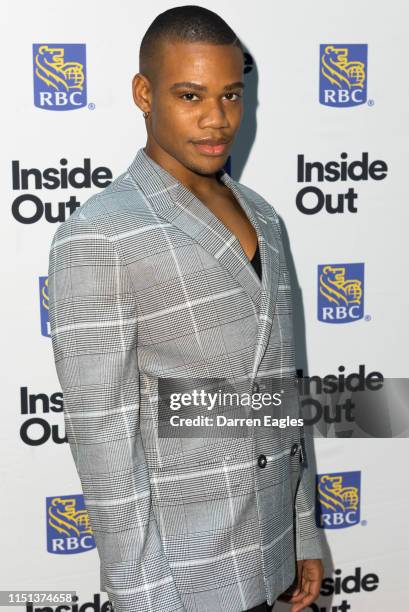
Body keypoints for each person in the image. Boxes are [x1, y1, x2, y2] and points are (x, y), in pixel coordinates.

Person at [48, 5, 325, 612]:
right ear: (144, 94)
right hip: (181, 571)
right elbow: (103, 434)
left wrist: (301, 526)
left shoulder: (266, 216)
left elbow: (276, 389)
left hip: (271, 548)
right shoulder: (101, 231)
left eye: (230, 95)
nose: (215, 118)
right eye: (189, 94)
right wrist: (142, 592)